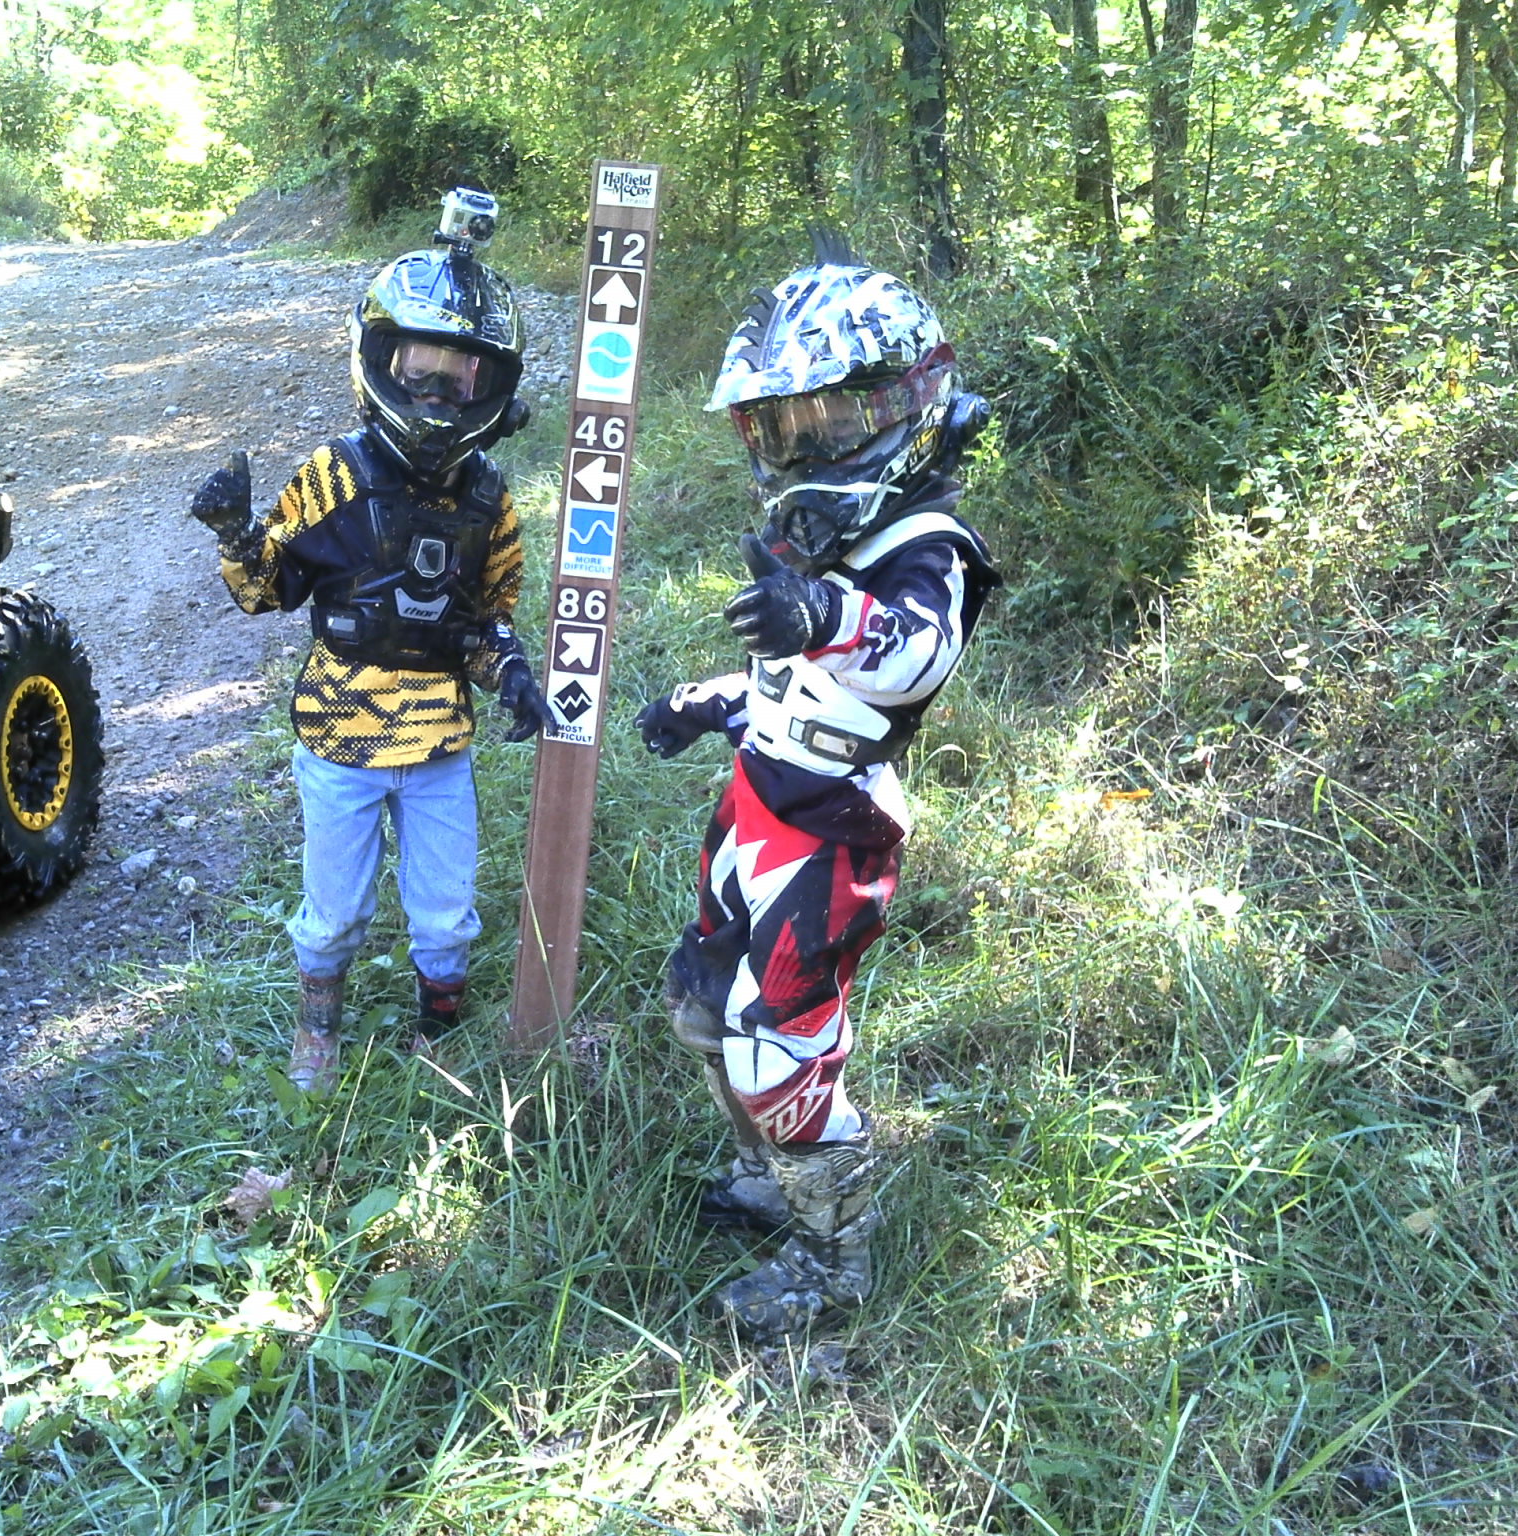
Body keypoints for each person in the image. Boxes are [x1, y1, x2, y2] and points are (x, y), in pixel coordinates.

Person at [635, 233, 998, 1338]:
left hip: (832, 830)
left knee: (776, 1042)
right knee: (702, 1005)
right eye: (779, 429)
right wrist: (702, 701)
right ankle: (765, 1177)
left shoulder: (926, 542)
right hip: (754, 804)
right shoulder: (819, 545)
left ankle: (834, 1256)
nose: (801, 449)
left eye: (827, 421)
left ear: (901, 404)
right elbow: (785, 677)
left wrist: (824, 615)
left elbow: (915, 654)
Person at [188, 191, 556, 1095]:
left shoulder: (488, 498)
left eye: (459, 376)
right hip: (338, 736)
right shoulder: (335, 475)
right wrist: (237, 535)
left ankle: (440, 1032)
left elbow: (487, 616)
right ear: (380, 360)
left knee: (445, 913)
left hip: (438, 743)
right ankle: (318, 1026)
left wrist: (510, 670)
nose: (436, 392)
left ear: (491, 387)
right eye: (418, 368)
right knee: (334, 909)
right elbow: (268, 589)